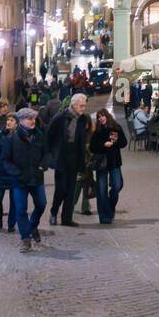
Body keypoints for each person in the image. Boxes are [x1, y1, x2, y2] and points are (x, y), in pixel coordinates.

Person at [1, 106, 47, 253]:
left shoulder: (39, 135)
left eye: (34, 118)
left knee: (41, 204)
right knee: (21, 210)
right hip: (19, 181)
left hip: (37, 178)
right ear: (21, 121)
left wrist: (44, 164)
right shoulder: (11, 139)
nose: (33, 121)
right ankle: (25, 239)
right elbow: (5, 160)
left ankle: (32, 225)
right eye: (29, 118)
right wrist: (16, 173)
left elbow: (47, 153)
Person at [47, 92, 90, 226]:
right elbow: (49, 135)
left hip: (75, 157)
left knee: (71, 190)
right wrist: (51, 155)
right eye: (81, 106)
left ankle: (67, 219)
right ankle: (54, 213)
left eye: (84, 106)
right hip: (61, 158)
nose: (83, 108)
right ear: (73, 105)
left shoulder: (83, 119)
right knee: (61, 189)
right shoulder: (60, 117)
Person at [90, 107, 128, 224]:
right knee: (101, 191)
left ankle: (110, 207)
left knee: (117, 186)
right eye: (98, 117)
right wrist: (103, 145)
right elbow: (92, 147)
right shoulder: (97, 131)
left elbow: (124, 143)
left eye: (102, 116)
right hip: (101, 164)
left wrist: (116, 141)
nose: (101, 119)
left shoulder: (116, 128)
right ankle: (104, 216)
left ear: (107, 116)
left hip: (114, 162)